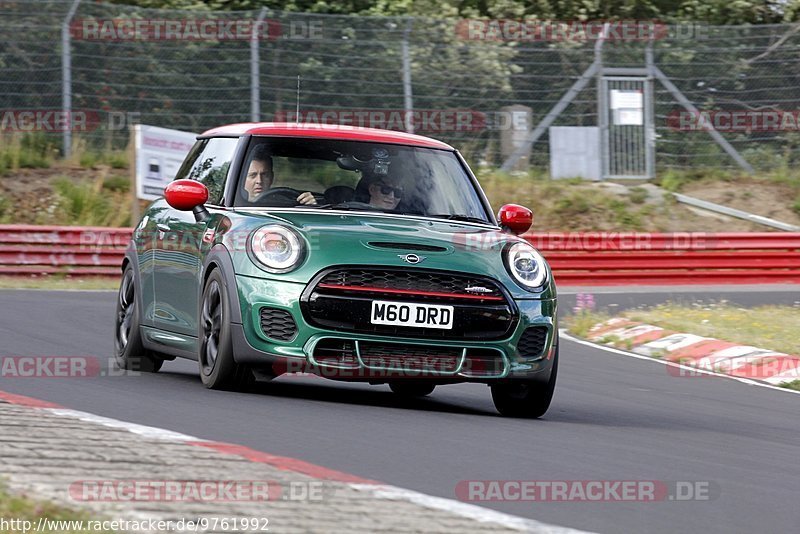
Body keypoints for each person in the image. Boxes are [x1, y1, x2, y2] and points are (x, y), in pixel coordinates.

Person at [242, 145, 317, 205]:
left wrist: (311, 206)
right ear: (242, 179)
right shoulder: (233, 205)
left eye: (265, 175)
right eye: (253, 175)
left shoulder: (286, 201)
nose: (259, 181)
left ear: (271, 177)